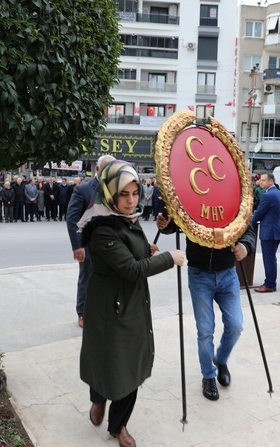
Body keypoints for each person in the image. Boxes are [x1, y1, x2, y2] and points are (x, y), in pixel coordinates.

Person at [78, 161, 184, 447]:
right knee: (105, 357)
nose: (130, 200)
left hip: (132, 303)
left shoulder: (126, 219)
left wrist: (146, 249)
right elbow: (130, 269)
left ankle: (119, 424)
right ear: (110, 193)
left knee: (131, 364)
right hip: (107, 304)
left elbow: (132, 254)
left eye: (135, 193)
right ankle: (98, 399)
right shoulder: (101, 226)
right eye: (124, 194)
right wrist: (167, 259)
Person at [158, 203, 256, 401]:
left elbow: (247, 227)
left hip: (228, 273)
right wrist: (166, 224)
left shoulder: (231, 193)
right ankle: (208, 375)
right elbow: (178, 220)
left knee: (236, 325)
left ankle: (221, 359)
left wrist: (245, 246)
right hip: (200, 274)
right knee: (205, 330)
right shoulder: (194, 191)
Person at [66, 154, 116, 327]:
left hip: (111, 244)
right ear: (97, 169)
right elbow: (72, 220)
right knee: (87, 278)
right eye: (106, 168)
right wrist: (78, 246)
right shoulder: (83, 189)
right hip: (89, 245)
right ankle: (83, 313)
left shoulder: (115, 188)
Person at [251, 172, 280, 293]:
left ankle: (269, 284)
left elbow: (259, 213)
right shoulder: (278, 193)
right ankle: (271, 282)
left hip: (270, 231)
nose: (261, 182)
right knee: (271, 258)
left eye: (264, 180)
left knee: (269, 258)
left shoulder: (268, 195)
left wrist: (248, 224)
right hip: (276, 230)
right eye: (260, 180)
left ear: (271, 181)